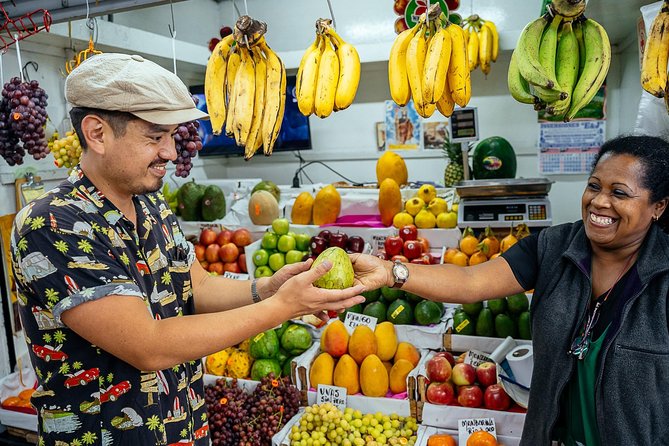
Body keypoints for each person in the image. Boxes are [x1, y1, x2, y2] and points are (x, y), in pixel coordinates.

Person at [10, 53, 365, 445]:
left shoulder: (150, 206)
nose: (171, 153)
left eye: (171, 137)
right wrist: (283, 307)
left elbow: (195, 286)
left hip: (185, 429)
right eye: (154, 136)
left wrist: (269, 287)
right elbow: (149, 346)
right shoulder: (51, 224)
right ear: (97, 133)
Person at [351, 135, 669, 445]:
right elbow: (470, 282)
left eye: (620, 193)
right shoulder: (553, 248)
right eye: (594, 186)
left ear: (659, 206)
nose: (599, 202)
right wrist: (391, 271)